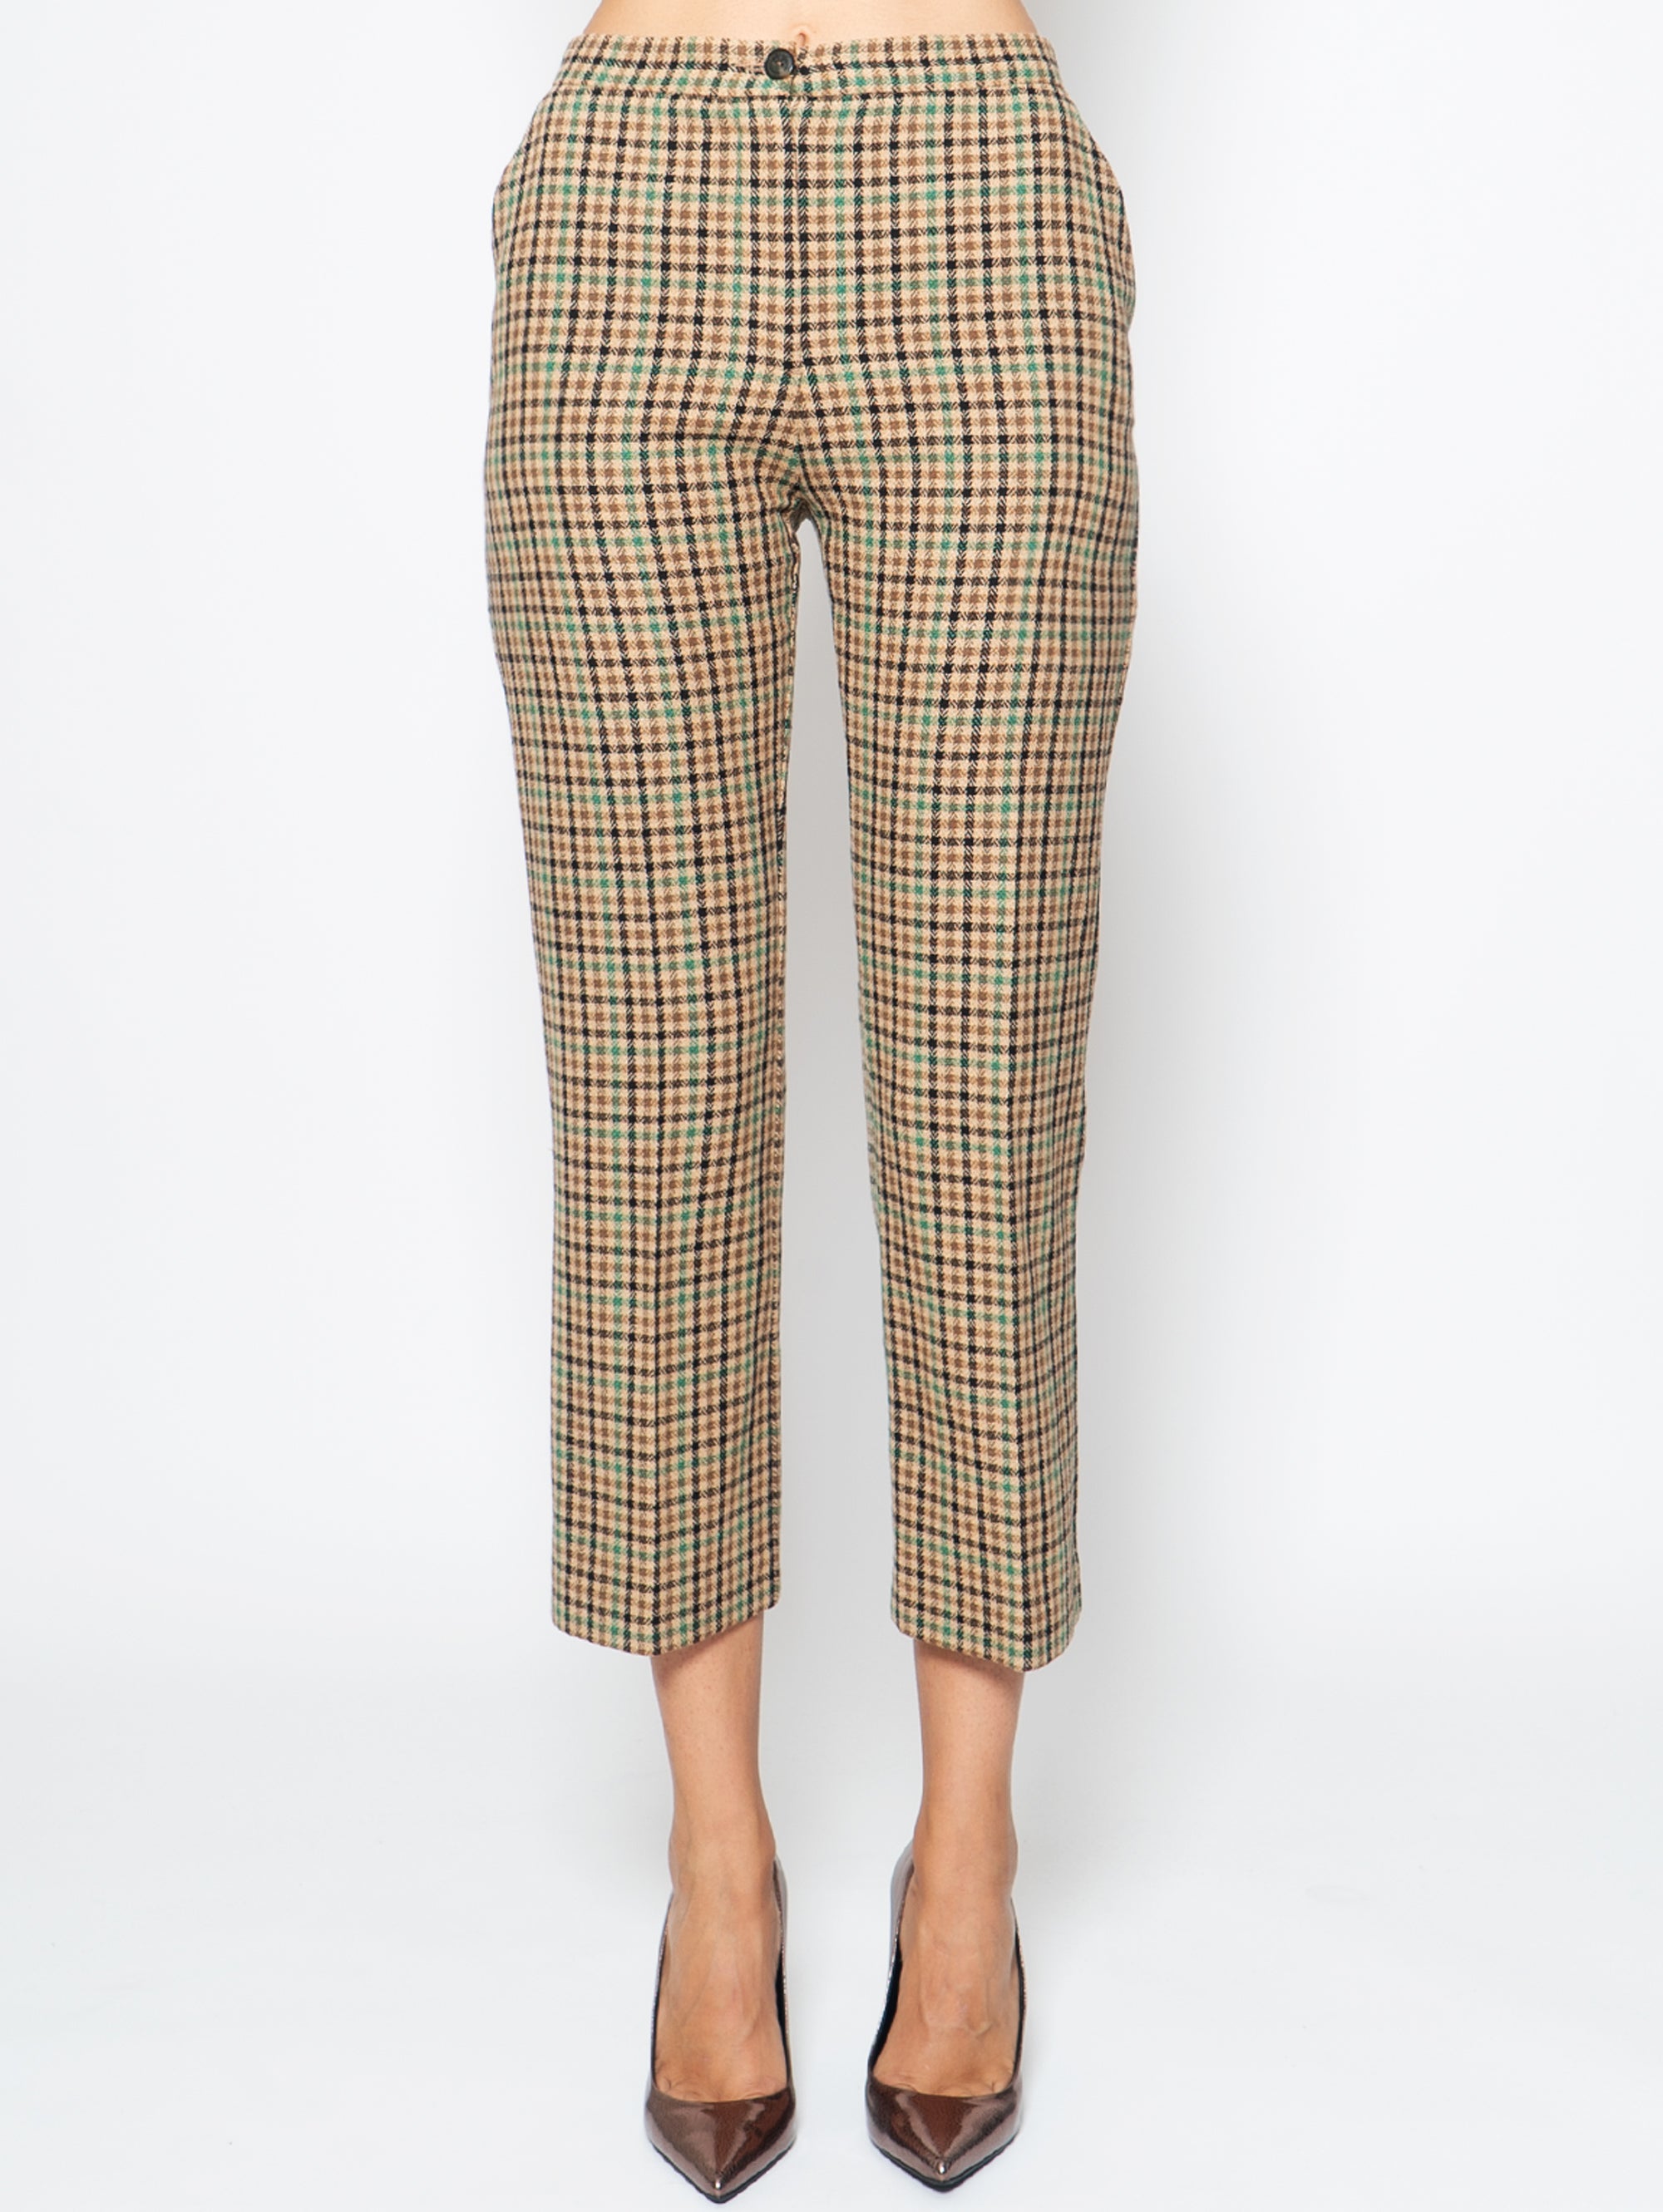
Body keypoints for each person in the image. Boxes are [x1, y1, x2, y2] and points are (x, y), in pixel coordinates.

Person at [483, 0, 1137, 2191]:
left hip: (976, 186)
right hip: (630, 195)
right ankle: (717, 1864)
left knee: (984, 1083)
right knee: (649, 1099)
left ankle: (969, 1856)